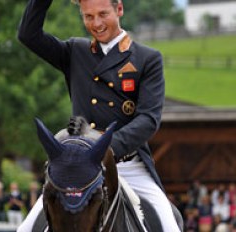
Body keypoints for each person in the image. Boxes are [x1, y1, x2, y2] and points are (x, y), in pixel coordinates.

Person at [17, 0, 181, 231]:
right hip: (75, 168)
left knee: (169, 226)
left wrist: (102, 147)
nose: (96, 23)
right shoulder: (75, 51)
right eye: (88, 16)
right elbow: (28, 35)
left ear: (119, 9)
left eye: (103, 14)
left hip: (127, 165)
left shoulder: (147, 59)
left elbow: (148, 120)